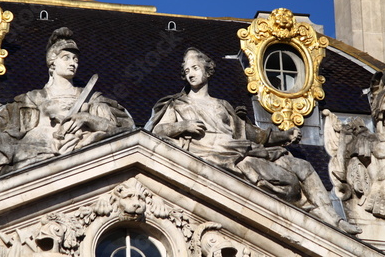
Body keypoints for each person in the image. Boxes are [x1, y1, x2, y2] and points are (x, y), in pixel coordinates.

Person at [145, 47, 361, 234]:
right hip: (218, 153)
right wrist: (183, 126)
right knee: (290, 182)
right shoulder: (178, 105)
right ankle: (309, 215)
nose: (190, 74)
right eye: (186, 70)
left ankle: (335, 222)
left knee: (301, 165)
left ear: (206, 70)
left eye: (194, 68)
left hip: (239, 147)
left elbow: (249, 133)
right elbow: (158, 130)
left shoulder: (222, 105)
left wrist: (283, 136)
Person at [0, 27, 134, 202]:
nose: (72, 63)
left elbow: (123, 129)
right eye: (66, 57)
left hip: (54, 148)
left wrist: (87, 119)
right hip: (28, 146)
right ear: (52, 63)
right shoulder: (33, 98)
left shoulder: (89, 99)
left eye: (75, 59)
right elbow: (3, 122)